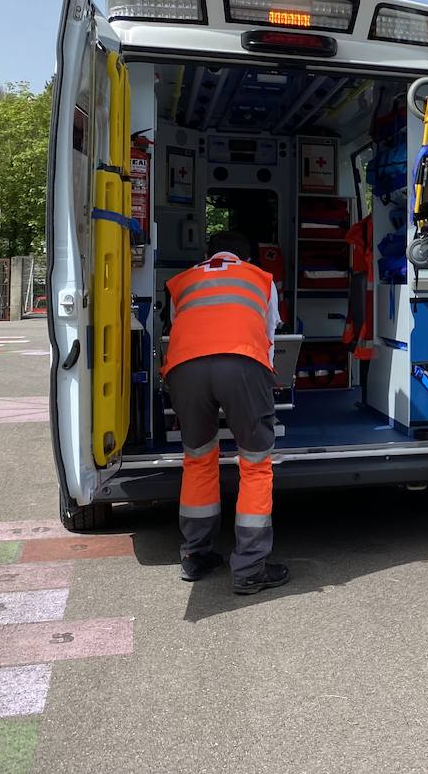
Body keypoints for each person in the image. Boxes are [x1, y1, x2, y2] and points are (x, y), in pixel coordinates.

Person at [161, 230, 290, 595]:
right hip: (242, 364)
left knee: (198, 458)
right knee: (254, 462)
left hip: (185, 369)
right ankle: (250, 568)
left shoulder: (184, 281)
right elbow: (268, 338)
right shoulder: (259, 279)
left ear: (207, 254)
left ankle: (195, 555)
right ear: (247, 257)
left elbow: (177, 331)